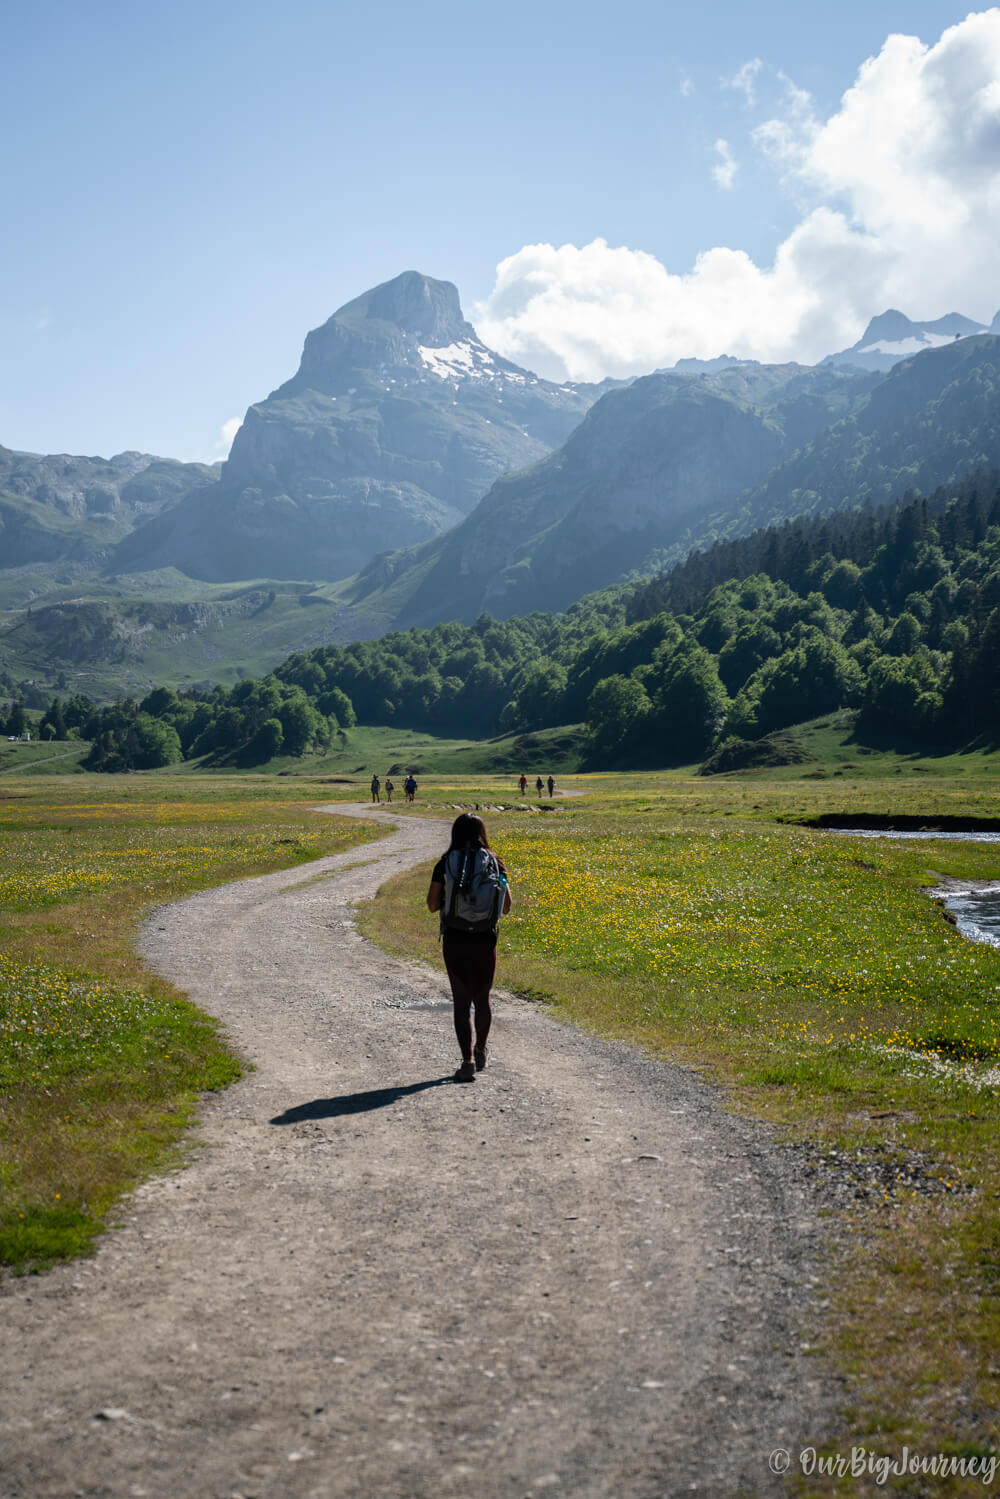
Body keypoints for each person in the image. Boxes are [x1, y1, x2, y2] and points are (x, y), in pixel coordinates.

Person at [427, 813, 512, 1082]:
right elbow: (506, 906)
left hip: (455, 938)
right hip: (485, 939)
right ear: (481, 832)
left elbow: (431, 905)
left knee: (461, 1002)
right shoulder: (496, 862)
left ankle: (467, 1062)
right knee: (482, 998)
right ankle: (482, 1049)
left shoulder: (444, 863)